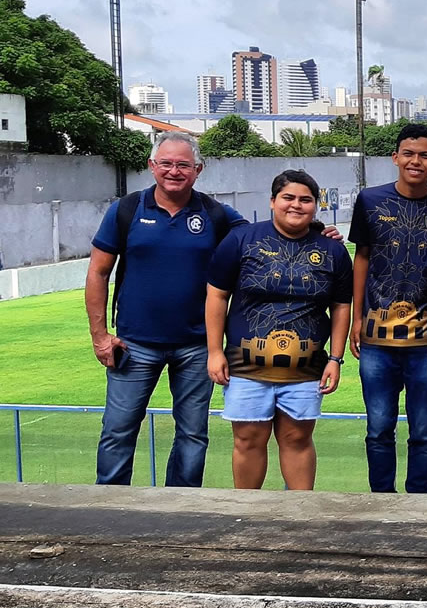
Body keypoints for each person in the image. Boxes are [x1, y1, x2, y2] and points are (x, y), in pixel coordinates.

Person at [87, 132, 246, 487]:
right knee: (118, 430)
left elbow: (264, 238)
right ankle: (109, 509)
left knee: (192, 435)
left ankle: (181, 509)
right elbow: (98, 272)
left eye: (183, 165)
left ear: (198, 169)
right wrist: (100, 336)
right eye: (167, 163)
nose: (174, 171)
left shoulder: (215, 214)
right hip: (134, 344)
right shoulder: (127, 210)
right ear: (152, 166)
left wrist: (314, 231)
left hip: (197, 346)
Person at [205, 170, 353, 490]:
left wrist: (336, 359)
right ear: (272, 201)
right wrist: (215, 352)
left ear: (316, 206)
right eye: (288, 198)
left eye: (305, 200)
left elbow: (342, 306)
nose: (296, 205)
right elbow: (216, 295)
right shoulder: (241, 240)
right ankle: (248, 514)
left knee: (297, 438)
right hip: (246, 365)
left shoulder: (332, 250)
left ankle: (300, 516)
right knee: (247, 439)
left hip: (306, 366)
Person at [349, 124, 427, 494]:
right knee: (378, 428)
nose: (416, 161)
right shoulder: (370, 200)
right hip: (377, 339)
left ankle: (419, 504)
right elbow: (361, 258)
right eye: (408, 154)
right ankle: (381, 501)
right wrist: (355, 319)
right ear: (395, 157)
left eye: (424, 155)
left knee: (425, 432)